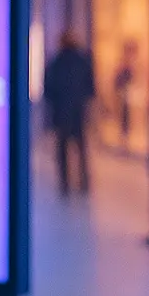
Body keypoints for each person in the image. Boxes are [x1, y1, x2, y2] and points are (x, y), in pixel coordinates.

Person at [42, 30, 95, 194]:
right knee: (80, 148)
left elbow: (48, 89)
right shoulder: (82, 61)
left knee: (63, 150)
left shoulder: (56, 62)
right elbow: (90, 87)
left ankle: (65, 184)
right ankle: (84, 182)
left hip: (62, 112)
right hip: (78, 111)